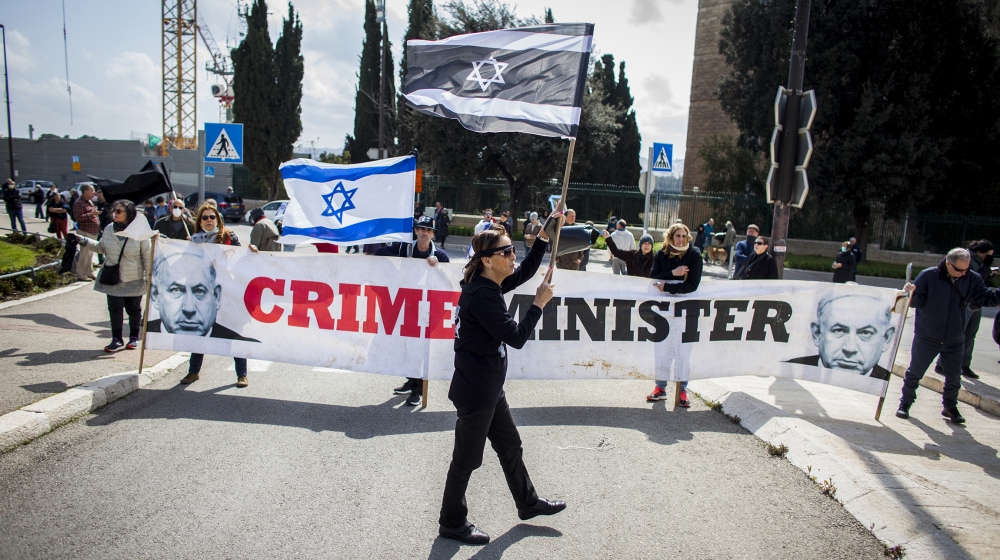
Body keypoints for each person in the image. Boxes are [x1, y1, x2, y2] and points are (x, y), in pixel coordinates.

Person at [438, 222, 564, 546]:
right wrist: (538, 304)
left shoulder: (489, 284)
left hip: (489, 386)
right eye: (506, 252)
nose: (512, 257)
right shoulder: (482, 295)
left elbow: (524, 272)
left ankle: (527, 502)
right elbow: (517, 338)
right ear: (487, 259)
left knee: (510, 446)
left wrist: (544, 237)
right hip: (477, 390)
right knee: (466, 459)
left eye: (512, 250)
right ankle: (451, 521)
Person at [148, 205, 258, 388]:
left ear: (218, 220)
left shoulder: (229, 238)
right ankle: (194, 371)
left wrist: (252, 251)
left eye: (212, 217)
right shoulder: (193, 241)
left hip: (227, 293)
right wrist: (161, 243)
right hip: (201, 294)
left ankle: (242, 374)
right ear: (199, 221)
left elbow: (241, 261)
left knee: (234, 334)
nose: (209, 220)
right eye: (205, 217)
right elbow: (182, 263)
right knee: (198, 335)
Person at [896, 248, 1000, 424]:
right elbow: (915, 302)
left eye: (966, 269)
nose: (963, 273)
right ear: (947, 263)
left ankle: (950, 407)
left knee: (954, 378)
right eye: (959, 270)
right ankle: (905, 404)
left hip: (955, 338)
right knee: (915, 372)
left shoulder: (972, 278)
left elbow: (985, 298)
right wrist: (909, 293)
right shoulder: (928, 276)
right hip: (927, 336)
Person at [375, 216, 451, 405]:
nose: (425, 233)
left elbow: (450, 282)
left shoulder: (440, 256)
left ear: (433, 234)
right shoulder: (403, 248)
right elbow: (378, 256)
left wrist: (439, 268)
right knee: (407, 348)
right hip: (406, 307)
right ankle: (411, 381)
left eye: (429, 230)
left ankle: (417, 391)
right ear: (415, 231)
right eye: (421, 229)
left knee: (421, 351)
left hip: (427, 311)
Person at [73, 200, 151, 352]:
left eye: (119, 211)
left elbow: (147, 257)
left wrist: (149, 278)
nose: (115, 213)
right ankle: (117, 339)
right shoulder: (109, 229)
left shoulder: (140, 231)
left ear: (129, 214)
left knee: (134, 310)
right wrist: (82, 240)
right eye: (115, 210)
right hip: (113, 278)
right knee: (114, 309)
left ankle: (133, 338)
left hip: (134, 279)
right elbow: (101, 248)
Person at [647, 223, 704, 406]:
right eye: (677, 236)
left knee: (683, 352)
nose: (681, 239)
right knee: (662, 350)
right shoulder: (661, 254)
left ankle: (682, 390)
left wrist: (668, 286)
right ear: (670, 238)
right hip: (663, 311)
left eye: (684, 236)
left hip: (686, 310)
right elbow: (653, 277)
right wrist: (674, 273)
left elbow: (692, 285)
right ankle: (660, 387)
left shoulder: (694, 255)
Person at [787, 294, 895, 378]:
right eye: (839, 330)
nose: (850, 348)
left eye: (865, 333)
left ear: (886, 339)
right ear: (817, 333)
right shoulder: (788, 369)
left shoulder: (887, 385)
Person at [935, 240, 995, 380]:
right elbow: (973, 280)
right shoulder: (967, 260)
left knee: (970, 336)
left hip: (976, 304)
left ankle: (964, 365)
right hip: (965, 304)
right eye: (988, 255)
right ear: (980, 252)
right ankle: (942, 365)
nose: (990, 258)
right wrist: (986, 267)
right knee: (956, 336)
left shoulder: (979, 262)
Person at [73, 184, 101, 281]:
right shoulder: (79, 203)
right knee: (84, 254)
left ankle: (89, 272)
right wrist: (91, 214)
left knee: (90, 253)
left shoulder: (89, 201)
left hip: (93, 231)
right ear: (85, 191)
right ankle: (81, 274)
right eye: (92, 190)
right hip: (85, 232)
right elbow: (78, 218)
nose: (94, 193)